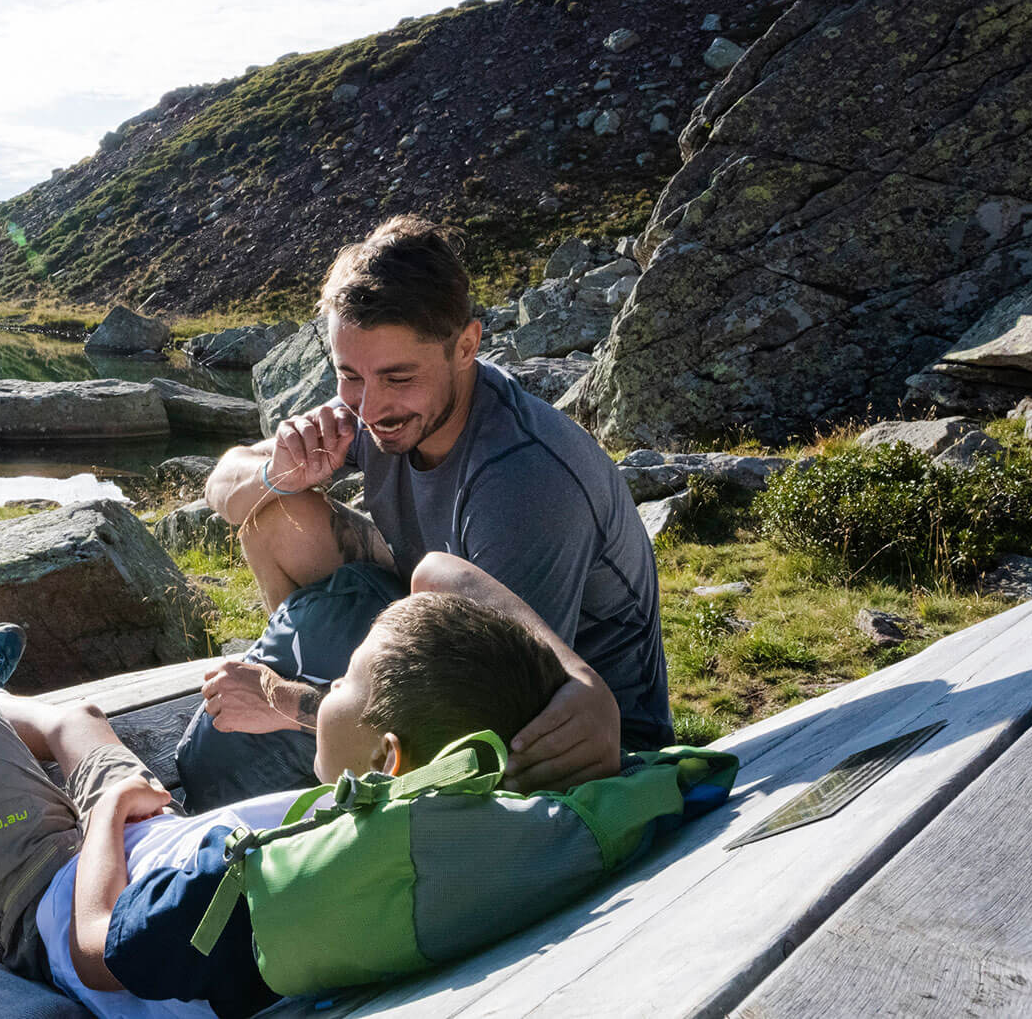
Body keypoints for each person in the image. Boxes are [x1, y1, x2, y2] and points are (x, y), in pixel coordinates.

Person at [177, 215, 670, 811]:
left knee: (255, 751)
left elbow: (485, 716)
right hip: (448, 631)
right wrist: (275, 469)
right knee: (274, 512)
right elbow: (221, 488)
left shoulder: (521, 485)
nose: (372, 406)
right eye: (349, 375)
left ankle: (330, 736)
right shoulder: (377, 405)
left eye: (397, 377)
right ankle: (330, 699)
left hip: (558, 746)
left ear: (467, 346)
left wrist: (287, 702)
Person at [0, 595, 565, 1018]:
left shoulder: (276, 901)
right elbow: (443, 573)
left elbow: (100, 944)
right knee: (79, 718)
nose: (325, 690)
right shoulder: (406, 824)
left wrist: (108, 817)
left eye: (346, 679)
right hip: (157, 837)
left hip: (50, 895)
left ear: (390, 757)